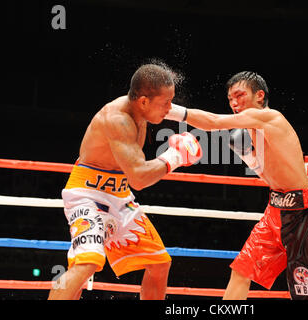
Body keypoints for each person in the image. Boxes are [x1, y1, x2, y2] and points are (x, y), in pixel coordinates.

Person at [164, 71, 308, 300]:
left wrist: (169, 110)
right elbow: (271, 178)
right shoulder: (253, 132)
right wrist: (249, 158)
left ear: (260, 96)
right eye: (230, 98)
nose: (234, 103)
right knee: (241, 272)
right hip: (274, 211)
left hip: (301, 216)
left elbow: (214, 122)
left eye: (239, 95)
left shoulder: (271, 118)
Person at [48, 62, 203, 300]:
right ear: (143, 101)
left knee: (159, 263)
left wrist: (234, 123)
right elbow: (139, 178)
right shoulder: (117, 119)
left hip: (119, 195)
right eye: (166, 103)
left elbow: (208, 120)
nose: (170, 108)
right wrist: (175, 157)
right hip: (87, 193)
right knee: (87, 263)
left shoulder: (147, 105)